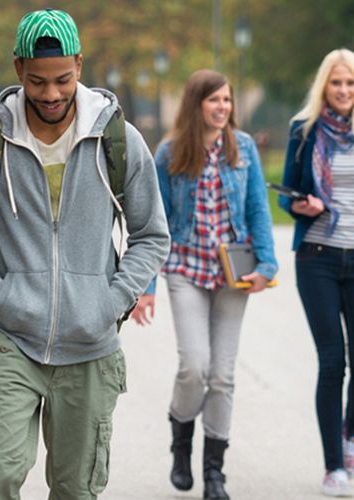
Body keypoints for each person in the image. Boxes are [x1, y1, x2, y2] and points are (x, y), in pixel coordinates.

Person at [0, 8, 169, 500]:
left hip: (91, 347)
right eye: (38, 81)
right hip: (11, 339)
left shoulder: (117, 138)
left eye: (62, 79)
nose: (51, 94)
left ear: (80, 66)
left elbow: (151, 234)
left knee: (75, 489)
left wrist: (112, 301)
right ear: (18, 69)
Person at [132, 69, 277, 500]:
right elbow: (150, 225)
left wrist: (266, 265)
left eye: (227, 101)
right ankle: (181, 438)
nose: (222, 108)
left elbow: (258, 211)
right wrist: (146, 288)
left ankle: (215, 472)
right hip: (185, 269)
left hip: (234, 274)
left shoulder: (244, 148)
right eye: (214, 101)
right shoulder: (170, 152)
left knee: (222, 374)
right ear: (196, 104)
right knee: (194, 367)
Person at [279, 48, 354, 497]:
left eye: (350, 83)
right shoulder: (303, 131)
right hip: (318, 256)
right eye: (336, 83)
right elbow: (286, 193)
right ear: (324, 86)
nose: (344, 91)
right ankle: (333, 467)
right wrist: (300, 204)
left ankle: (349, 438)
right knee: (333, 361)